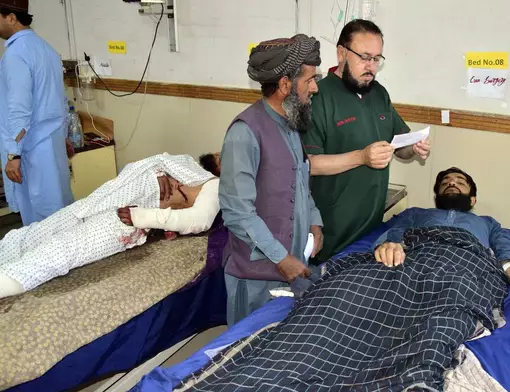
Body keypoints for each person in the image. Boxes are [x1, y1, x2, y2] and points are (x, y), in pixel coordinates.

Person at [0, 153, 220, 299]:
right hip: (116, 192)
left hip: (127, 218)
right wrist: (158, 171)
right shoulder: (188, 162)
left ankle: (9, 281)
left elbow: (197, 220)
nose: (222, 153)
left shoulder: (217, 186)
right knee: (45, 229)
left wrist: (140, 217)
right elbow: (158, 158)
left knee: (64, 249)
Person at [303, 19, 431, 262]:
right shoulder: (318, 96)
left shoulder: (379, 93)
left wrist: (414, 147)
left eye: (377, 59)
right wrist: (361, 157)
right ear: (341, 53)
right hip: (330, 228)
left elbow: (398, 147)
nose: (371, 66)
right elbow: (309, 163)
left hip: (370, 227)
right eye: (364, 57)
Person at [219, 34, 324, 326]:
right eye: (309, 80)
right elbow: (237, 213)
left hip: (290, 268)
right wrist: (281, 258)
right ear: (285, 85)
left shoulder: (291, 124)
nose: (315, 87)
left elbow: (300, 182)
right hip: (256, 277)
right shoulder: (244, 133)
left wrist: (315, 221)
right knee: (246, 359)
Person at [373, 167, 510, 315]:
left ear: (473, 199)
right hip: (414, 260)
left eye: (460, 182)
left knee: (453, 302)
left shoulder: (488, 223)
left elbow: (509, 258)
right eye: (445, 183)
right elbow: (395, 234)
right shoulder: (416, 214)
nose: (451, 183)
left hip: (464, 268)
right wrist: (389, 245)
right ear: (437, 198)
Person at [0, 0, 73, 225]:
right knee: (59, 206)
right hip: (52, 143)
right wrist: (65, 136)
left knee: (40, 216)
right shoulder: (47, 49)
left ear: (11, 18)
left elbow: (19, 108)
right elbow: (59, 100)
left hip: (30, 149)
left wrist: (14, 154)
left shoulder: (16, 55)